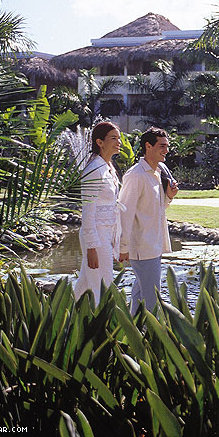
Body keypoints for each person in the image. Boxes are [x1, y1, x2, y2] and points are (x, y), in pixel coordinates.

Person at [118, 127, 178, 313]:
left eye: (167, 146)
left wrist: (169, 196)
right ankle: (150, 337)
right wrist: (123, 247)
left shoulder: (158, 172)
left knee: (140, 294)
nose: (166, 151)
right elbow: (124, 213)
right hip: (142, 247)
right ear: (148, 146)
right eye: (162, 146)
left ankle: (133, 333)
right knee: (152, 299)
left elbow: (157, 208)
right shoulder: (136, 175)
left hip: (153, 244)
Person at [75, 121, 123, 304]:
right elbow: (88, 212)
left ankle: (68, 318)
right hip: (95, 236)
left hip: (105, 234)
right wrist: (91, 247)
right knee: (102, 286)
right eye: (113, 138)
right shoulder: (93, 169)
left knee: (85, 284)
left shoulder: (108, 168)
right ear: (100, 142)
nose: (118, 142)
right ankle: (100, 326)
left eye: (118, 138)